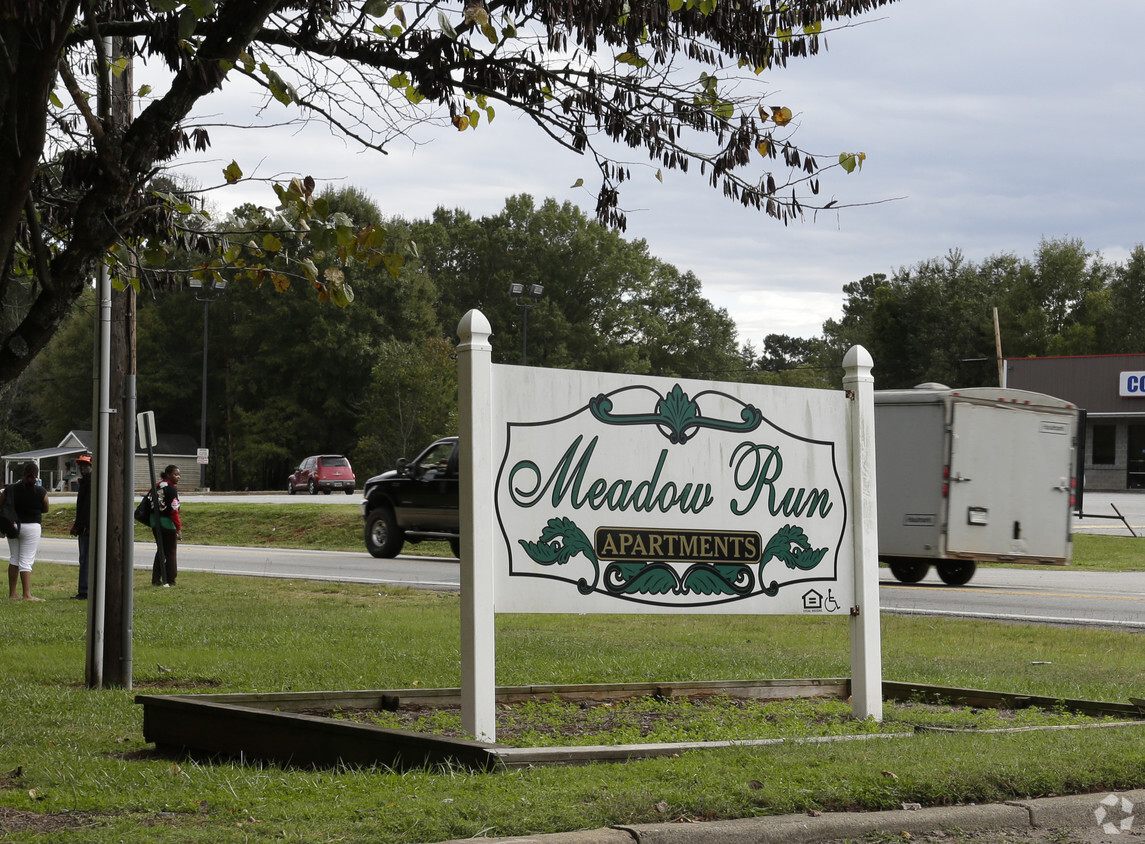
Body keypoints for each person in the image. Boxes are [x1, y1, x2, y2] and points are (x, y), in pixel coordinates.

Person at [3, 461, 50, 601]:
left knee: (14, 558)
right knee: (26, 560)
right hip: (32, 527)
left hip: (13, 526)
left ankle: (12, 594)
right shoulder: (41, 491)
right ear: (36, 475)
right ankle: (27, 594)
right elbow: (46, 508)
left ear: (23, 473)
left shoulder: (11, 489)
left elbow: (1, 504)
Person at [151, 465, 181, 587]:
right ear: (168, 474)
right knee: (171, 552)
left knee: (161, 550)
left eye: (179, 475)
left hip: (154, 521)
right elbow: (174, 510)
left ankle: (156, 579)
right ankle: (171, 579)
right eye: (175, 474)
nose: (178, 477)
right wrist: (178, 528)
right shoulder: (171, 489)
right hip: (167, 523)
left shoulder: (157, 486)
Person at [70, 454, 93, 599]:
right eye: (81, 465)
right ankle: (85, 589)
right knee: (85, 559)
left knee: (86, 560)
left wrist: (80, 525)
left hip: (88, 528)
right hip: (83, 526)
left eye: (86, 465)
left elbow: (87, 508)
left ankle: (85, 591)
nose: (83, 468)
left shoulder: (92, 483)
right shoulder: (84, 482)